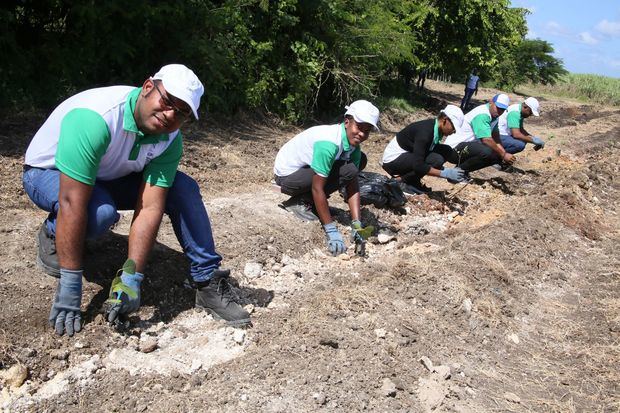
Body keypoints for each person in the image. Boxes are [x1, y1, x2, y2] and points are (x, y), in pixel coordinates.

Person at [23, 64, 251, 336]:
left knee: (183, 188)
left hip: (106, 175)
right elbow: (73, 201)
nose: (170, 115)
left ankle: (206, 281)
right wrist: (71, 288)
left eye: (181, 113)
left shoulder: (169, 138)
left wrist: (132, 276)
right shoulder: (96, 118)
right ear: (147, 87)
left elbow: (150, 206)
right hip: (48, 172)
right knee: (98, 214)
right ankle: (52, 231)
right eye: (167, 102)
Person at [273, 100, 378, 256]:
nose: (362, 134)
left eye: (367, 130)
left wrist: (357, 223)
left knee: (357, 163)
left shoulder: (353, 145)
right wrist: (331, 230)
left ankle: (309, 201)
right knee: (348, 169)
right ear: (347, 122)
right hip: (288, 177)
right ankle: (300, 202)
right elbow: (317, 187)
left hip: (306, 173)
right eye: (359, 127)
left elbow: (352, 184)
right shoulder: (329, 143)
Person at [381, 105, 467, 194]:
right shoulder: (425, 133)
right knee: (435, 160)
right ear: (445, 120)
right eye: (453, 128)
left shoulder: (435, 129)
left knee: (446, 150)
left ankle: (413, 180)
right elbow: (418, 165)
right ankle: (402, 181)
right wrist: (445, 173)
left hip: (406, 156)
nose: (454, 132)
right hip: (392, 161)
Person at [445, 93, 515, 173]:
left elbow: (495, 136)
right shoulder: (483, 114)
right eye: (498, 107)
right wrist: (503, 154)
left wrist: (503, 153)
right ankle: (458, 173)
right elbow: (486, 139)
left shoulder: (494, 117)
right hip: (453, 149)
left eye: (502, 109)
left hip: (466, 147)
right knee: (487, 151)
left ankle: (462, 170)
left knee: (496, 155)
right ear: (491, 102)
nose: (499, 111)